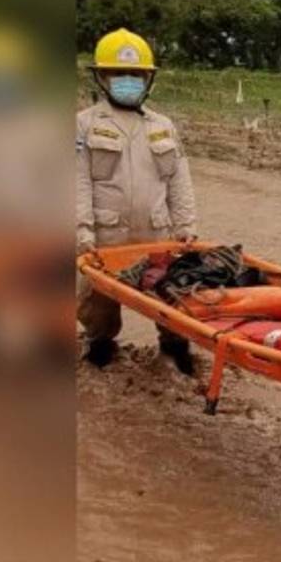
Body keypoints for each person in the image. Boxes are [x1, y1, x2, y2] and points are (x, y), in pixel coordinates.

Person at [76, 28, 198, 373]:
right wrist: (81, 231)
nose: (128, 80)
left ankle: (174, 347)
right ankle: (101, 345)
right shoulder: (83, 126)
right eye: (119, 74)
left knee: (170, 296)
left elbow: (179, 180)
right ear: (102, 77)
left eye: (136, 74)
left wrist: (186, 226)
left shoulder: (163, 126)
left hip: (156, 234)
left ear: (148, 79)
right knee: (95, 303)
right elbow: (77, 181)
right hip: (105, 235)